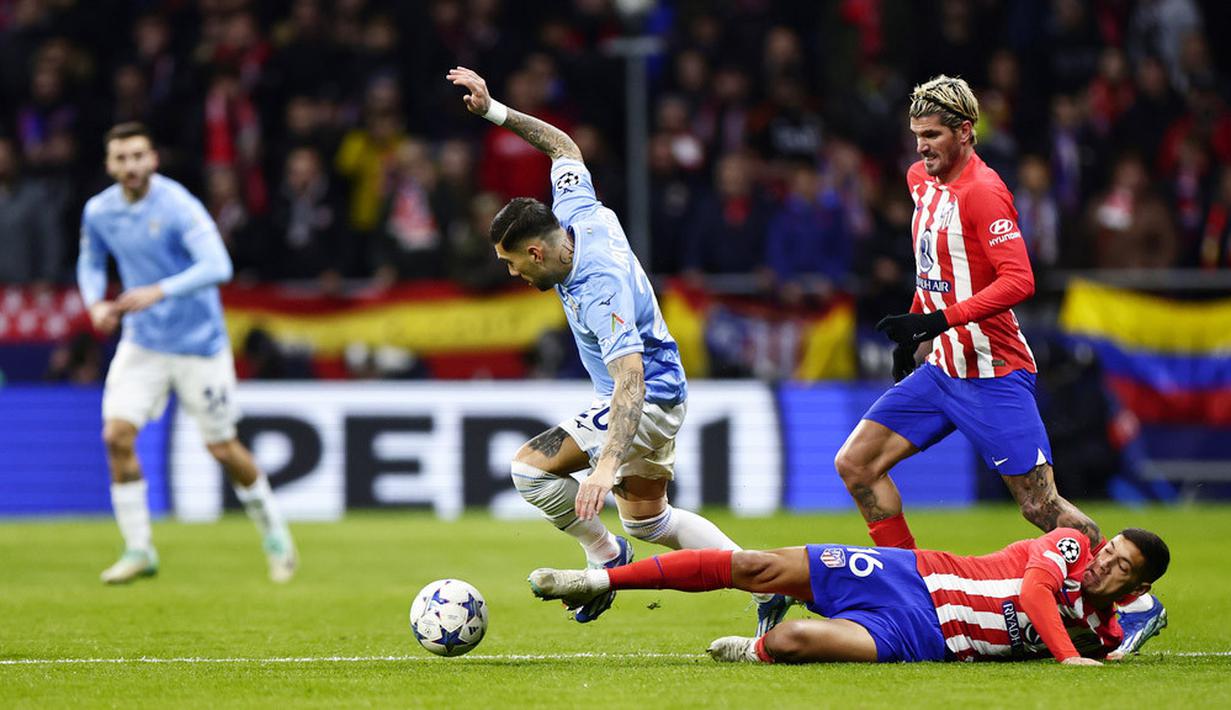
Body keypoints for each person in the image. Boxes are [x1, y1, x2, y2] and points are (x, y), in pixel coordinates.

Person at [446, 66, 787, 634]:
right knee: (651, 524)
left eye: (511, 263)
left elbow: (629, 379)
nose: (510, 274)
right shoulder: (579, 214)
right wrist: (494, 112)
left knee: (528, 471)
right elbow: (563, 146)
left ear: (535, 252)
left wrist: (604, 467)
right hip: (662, 391)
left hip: (645, 396)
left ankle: (605, 558)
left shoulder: (597, 286)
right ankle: (764, 582)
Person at [837, 76, 1166, 656]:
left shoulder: (986, 192)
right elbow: (934, 270)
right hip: (942, 367)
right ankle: (910, 592)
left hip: (993, 373)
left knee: (1042, 507)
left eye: (933, 135)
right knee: (857, 465)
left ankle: (1137, 606)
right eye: (916, 135)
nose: (922, 147)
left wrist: (939, 322)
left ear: (966, 132)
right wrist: (915, 328)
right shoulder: (921, 181)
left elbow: (1020, 280)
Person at [77, 122, 296, 584]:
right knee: (115, 436)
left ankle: (275, 533)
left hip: (200, 346)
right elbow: (92, 262)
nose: (131, 166)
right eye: (121, 158)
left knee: (222, 448)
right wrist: (95, 302)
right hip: (143, 343)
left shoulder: (178, 205)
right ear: (109, 164)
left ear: (153, 159)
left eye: (139, 156)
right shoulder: (99, 211)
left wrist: (159, 290)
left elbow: (219, 265)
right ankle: (139, 549)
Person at [529, 527, 1170, 666]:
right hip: (908, 574)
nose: (1100, 565)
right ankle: (597, 578)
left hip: (922, 639)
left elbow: (1115, 644)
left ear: (1135, 588)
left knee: (792, 643)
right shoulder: (1064, 550)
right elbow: (1033, 594)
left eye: (1117, 568)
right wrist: (1067, 656)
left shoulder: (1105, 633)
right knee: (753, 565)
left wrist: (1108, 649)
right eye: (1107, 551)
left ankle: (755, 646)